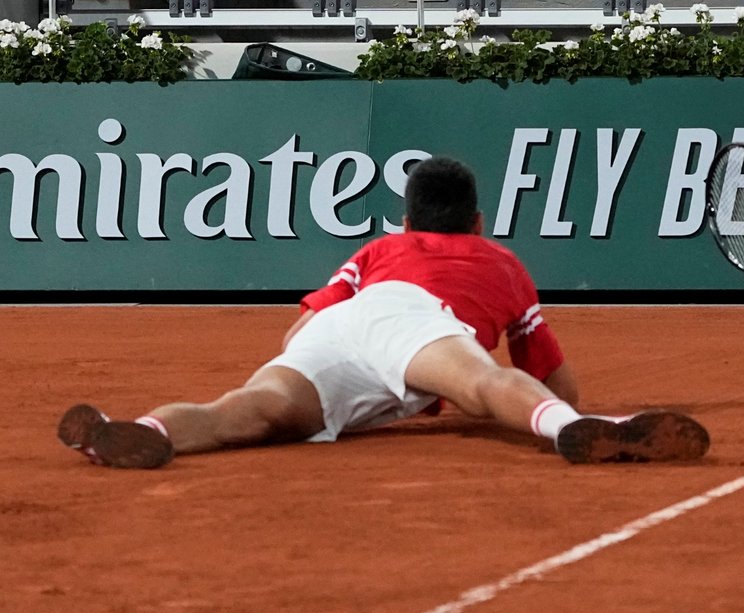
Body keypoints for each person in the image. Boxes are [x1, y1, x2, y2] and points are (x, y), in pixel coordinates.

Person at [57, 157, 709, 469]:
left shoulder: (378, 248)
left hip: (337, 334)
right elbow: (544, 373)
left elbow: (302, 329)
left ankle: (136, 430)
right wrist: (565, 406)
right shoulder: (505, 266)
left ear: (405, 219)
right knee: (484, 386)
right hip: (411, 323)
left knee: (244, 411)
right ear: (479, 222)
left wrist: (307, 368)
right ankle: (586, 430)